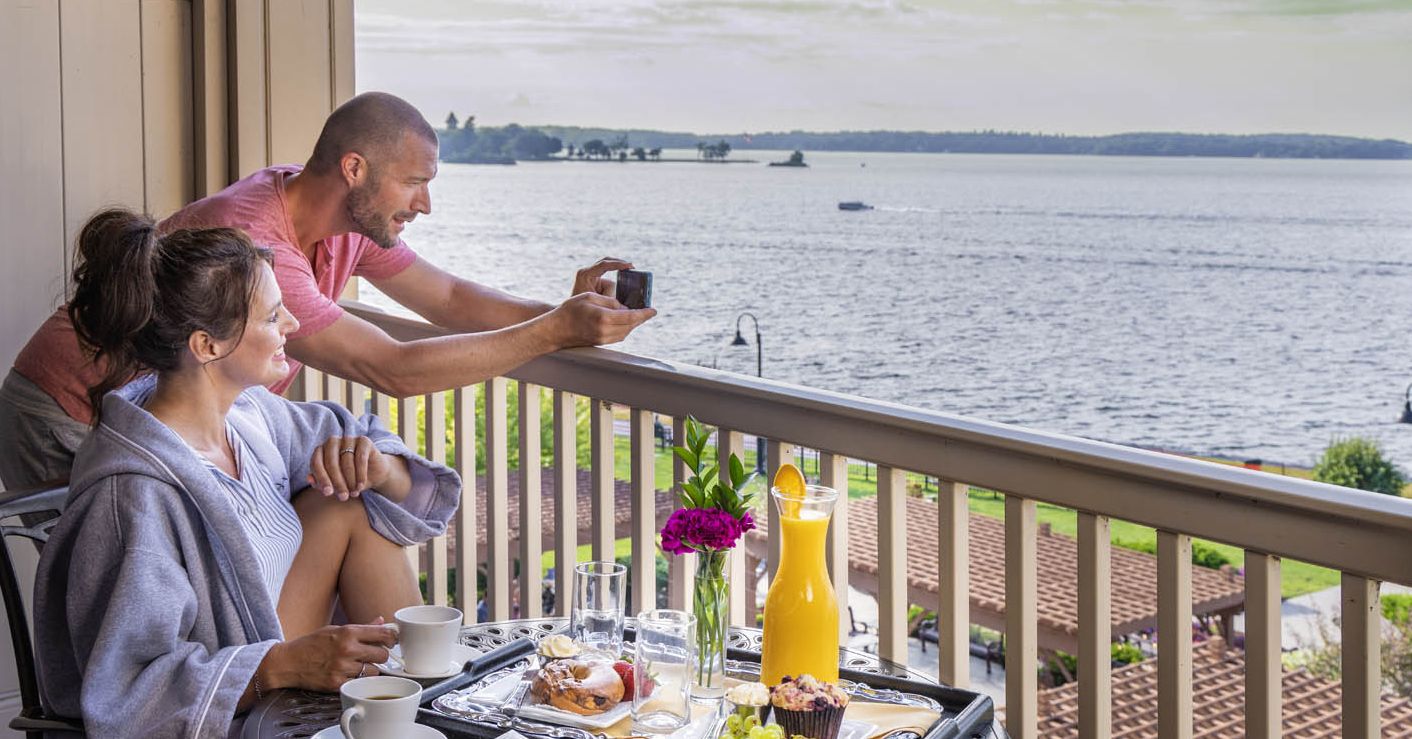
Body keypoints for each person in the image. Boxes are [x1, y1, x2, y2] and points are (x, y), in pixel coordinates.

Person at [0, 91, 656, 491]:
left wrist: (573, 315)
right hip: (68, 408)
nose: (425, 203)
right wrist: (553, 333)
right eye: (414, 182)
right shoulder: (258, 244)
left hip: (158, 422)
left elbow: (450, 298)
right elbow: (390, 367)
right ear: (355, 169)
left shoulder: (344, 218)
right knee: (113, 614)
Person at [33, 210, 462, 737]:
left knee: (351, 498)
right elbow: (126, 690)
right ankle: (408, 717)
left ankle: (418, 713)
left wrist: (381, 470)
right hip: (231, 707)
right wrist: (280, 666)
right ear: (206, 346)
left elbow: (357, 437)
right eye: (271, 317)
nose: (293, 326)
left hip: (276, 654)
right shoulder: (133, 497)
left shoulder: (250, 416)